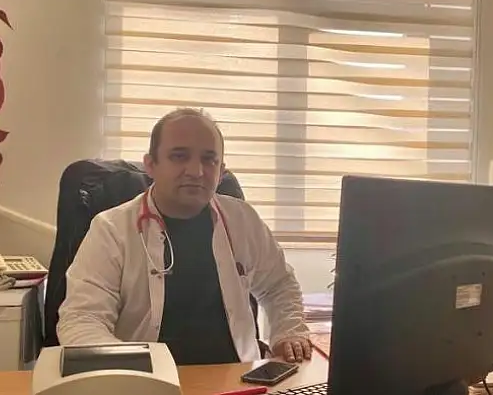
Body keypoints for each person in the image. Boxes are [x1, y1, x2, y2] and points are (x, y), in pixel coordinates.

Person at [56, 107, 311, 365]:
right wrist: (134, 369)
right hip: (147, 379)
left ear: (221, 171)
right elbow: (82, 320)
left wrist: (288, 332)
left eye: (209, 159)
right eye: (179, 156)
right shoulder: (111, 230)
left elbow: (279, 284)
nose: (196, 171)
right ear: (150, 165)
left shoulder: (242, 219)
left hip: (237, 376)